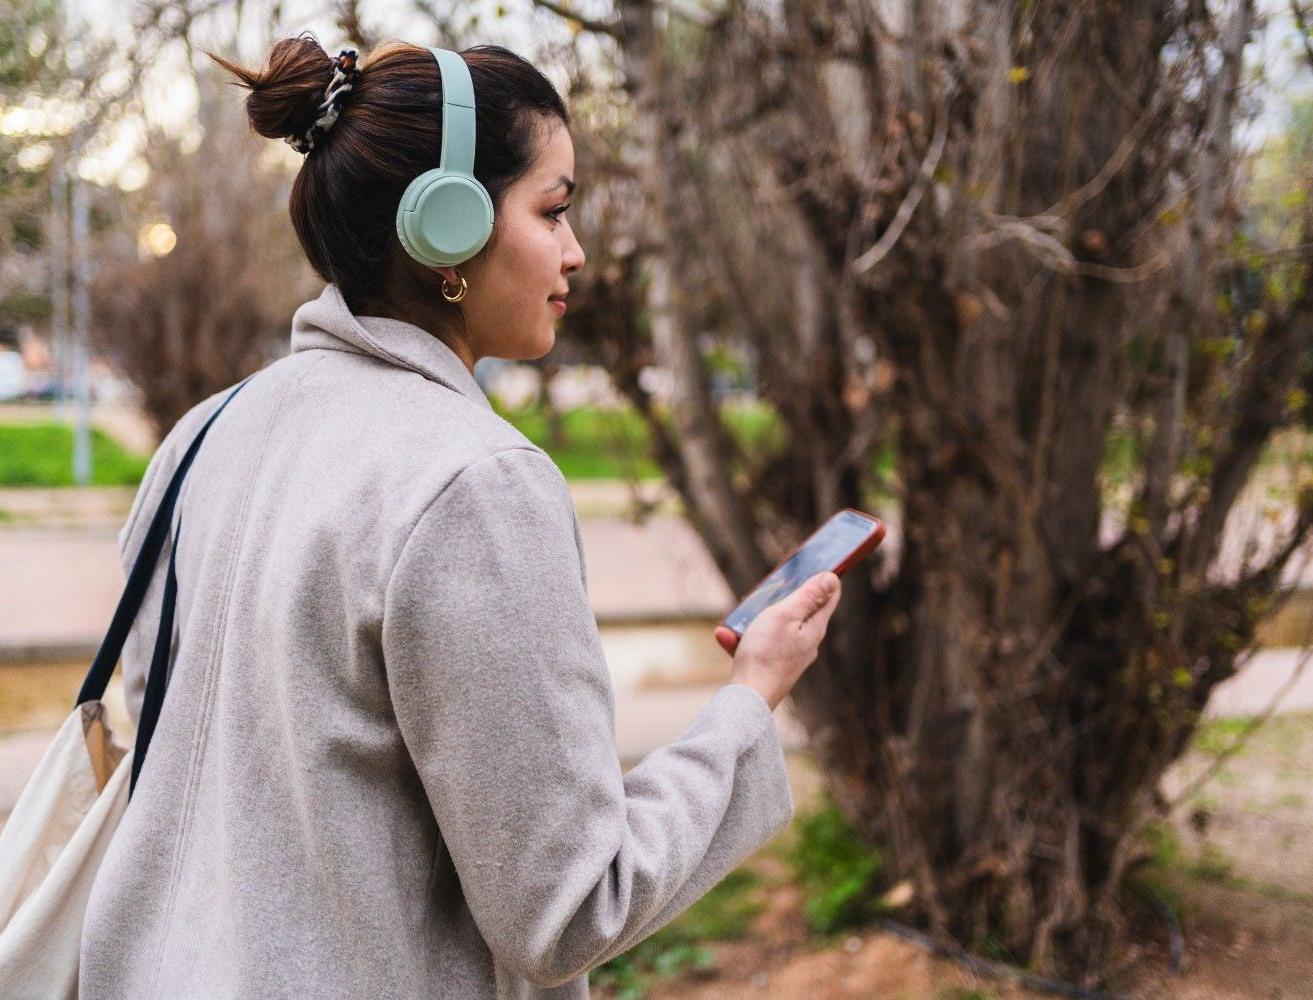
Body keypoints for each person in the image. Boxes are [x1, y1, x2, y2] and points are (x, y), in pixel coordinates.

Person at [79, 34, 843, 999]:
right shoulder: (472, 484)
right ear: (449, 227)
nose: (575, 252)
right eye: (554, 210)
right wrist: (748, 702)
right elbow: (571, 906)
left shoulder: (199, 439)